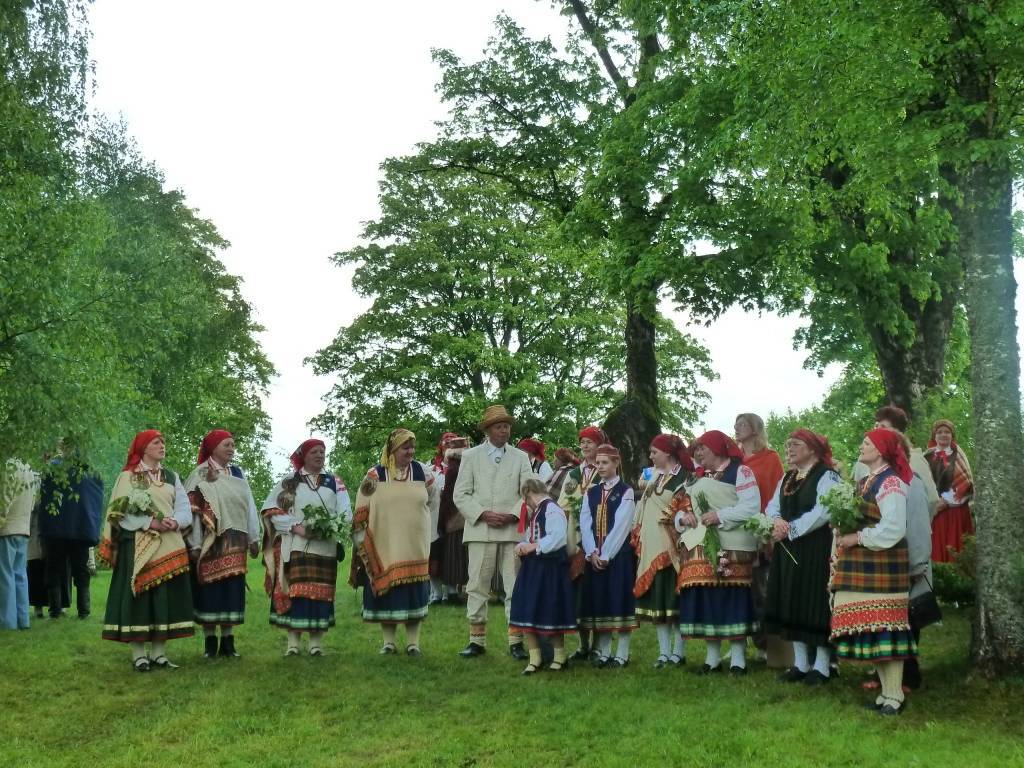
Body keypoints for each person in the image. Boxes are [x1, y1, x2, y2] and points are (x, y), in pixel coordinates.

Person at [830, 428, 917, 716]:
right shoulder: (865, 481)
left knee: (885, 628)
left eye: (866, 443)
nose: (861, 445)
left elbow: (893, 528)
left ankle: (894, 696)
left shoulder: (890, 482)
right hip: (863, 565)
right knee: (871, 627)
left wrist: (857, 537)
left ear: (880, 450)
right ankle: (886, 693)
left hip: (884, 564)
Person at [100, 431, 194, 670]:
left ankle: (159, 653)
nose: (162, 446)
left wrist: (176, 521)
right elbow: (118, 513)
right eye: (156, 442)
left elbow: (184, 507)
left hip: (169, 543)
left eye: (163, 442)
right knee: (139, 598)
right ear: (143, 448)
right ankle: (139, 654)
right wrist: (148, 523)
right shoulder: (128, 476)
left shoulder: (172, 476)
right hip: (139, 544)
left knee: (165, 597)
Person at [673, 430, 761, 676]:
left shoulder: (740, 472)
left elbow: (751, 506)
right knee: (707, 596)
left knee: (731, 597)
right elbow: (678, 509)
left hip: (733, 543)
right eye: (695, 449)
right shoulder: (693, 479)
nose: (698, 453)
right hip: (700, 546)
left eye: (703, 448)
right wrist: (684, 517)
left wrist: (719, 515)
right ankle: (712, 658)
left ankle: (738, 659)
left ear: (718, 447)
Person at [452, 405, 536, 659]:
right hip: (480, 530)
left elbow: (529, 490)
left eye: (507, 426)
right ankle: (476, 641)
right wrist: (483, 514)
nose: (504, 430)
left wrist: (513, 513)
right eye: (499, 426)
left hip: (512, 531)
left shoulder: (521, 457)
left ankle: (516, 641)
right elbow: (461, 494)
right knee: (477, 583)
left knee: (515, 585)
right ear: (488, 430)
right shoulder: (471, 457)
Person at [351, 429, 438, 656]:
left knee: (414, 593)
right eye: (405, 447)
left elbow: (433, 500)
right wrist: (362, 538)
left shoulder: (422, 472)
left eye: (412, 447)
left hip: (415, 544)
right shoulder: (375, 475)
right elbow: (361, 508)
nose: (410, 451)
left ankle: (413, 643)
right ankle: (388, 642)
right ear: (392, 449)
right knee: (388, 593)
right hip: (384, 544)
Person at [764, 429, 841, 685]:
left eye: (795, 444)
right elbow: (773, 506)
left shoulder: (827, 476)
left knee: (815, 602)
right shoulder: (788, 477)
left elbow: (825, 510)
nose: (789, 449)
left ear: (812, 448)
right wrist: (776, 522)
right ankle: (800, 663)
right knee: (792, 599)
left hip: (816, 547)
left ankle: (822, 666)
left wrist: (791, 528)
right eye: (788, 445)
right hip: (789, 548)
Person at [261, 439, 351, 656]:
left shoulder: (334, 482)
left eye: (323, 451)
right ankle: (293, 644)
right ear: (304, 455)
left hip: (325, 547)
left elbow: (345, 511)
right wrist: (296, 527)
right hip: (296, 546)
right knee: (297, 594)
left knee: (321, 595)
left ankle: (316, 644)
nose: (320, 455)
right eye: (314, 452)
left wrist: (332, 527)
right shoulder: (289, 481)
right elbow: (270, 509)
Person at [184, 429, 261, 658]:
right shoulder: (199, 474)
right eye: (227, 444)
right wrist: (195, 544)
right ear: (213, 447)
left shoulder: (237, 474)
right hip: (210, 541)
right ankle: (209, 642)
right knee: (209, 590)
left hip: (235, 539)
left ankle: (228, 641)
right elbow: (193, 511)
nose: (231, 448)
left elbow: (249, 504)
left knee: (231, 590)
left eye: (233, 445)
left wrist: (254, 537)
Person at [632, 434, 693, 668]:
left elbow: (689, 507)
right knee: (658, 601)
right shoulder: (653, 475)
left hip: (673, 545)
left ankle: (678, 652)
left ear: (668, 453)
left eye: (654, 452)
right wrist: (651, 474)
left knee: (673, 601)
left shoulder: (686, 477)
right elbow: (640, 483)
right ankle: (663, 652)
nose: (650, 456)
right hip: (650, 543)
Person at [578, 443, 637, 667]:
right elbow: (585, 523)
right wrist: (592, 551)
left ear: (615, 463)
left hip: (617, 555)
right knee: (600, 601)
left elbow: (622, 525)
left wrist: (606, 554)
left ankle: (622, 653)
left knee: (619, 601)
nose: (600, 467)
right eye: (598, 463)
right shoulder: (591, 492)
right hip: (595, 556)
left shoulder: (626, 491)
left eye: (605, 463)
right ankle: (603, 651)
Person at [509, 478, 576, 674]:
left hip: (549, 567)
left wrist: (533, 546)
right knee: (528, 609)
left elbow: (557, 537)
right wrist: (523, 546)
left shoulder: (552, 509)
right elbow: (532, 536)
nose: (526, 502)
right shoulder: (539, 510)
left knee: (550, 609)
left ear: (529, 492)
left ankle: (559, 656)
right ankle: (535, 658)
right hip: (534, 567)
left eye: (525, 497)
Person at [734, 413, 784, 661]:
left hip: (762, 529)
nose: (738, 427)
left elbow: (777, 492)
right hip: (739, 530)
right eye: (736, 424)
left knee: (763, 589)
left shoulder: (770, 458)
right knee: (744, 589)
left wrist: (769, 532)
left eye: (743, 424)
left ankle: (769, 646)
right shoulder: (735, 461)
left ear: (755, 429)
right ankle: (743, 643)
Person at [557, 426, 606, 660]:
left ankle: (597, 645)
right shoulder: (574, 474)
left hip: (600, 535)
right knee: (578, 592)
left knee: (596, 592)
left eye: (590, 442)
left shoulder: (607, 469)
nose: (585, 446)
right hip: (575, 537)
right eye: (582, 442)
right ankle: (582, 644)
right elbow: (563, 503)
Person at [37, 454, 103, 620]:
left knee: (53, 569)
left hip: (55, 529)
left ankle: (55, 611)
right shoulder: (91, 472)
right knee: (81, 571)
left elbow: (43, 494)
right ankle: (84, 612)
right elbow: (95, 499)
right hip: (81, 530)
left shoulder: (53, 468)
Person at [924, 419, 974, 563]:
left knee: (955, 548)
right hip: (935, 513)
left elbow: (966, 484)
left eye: (947, 432)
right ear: (934, 436)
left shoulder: (957, 454)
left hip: (956, 511)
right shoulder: (927, 457)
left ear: (952, 435)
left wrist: (945, 501)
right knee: (937, 550)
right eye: (939, 432)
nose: (943, 435)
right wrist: (934, 504)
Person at [0, 460, 40, 630]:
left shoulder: (9, 468)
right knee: (20, 575)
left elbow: (4, 501)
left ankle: (7, 622)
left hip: (8, 528)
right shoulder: (30, 470)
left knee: (6, 575)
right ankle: (23, 619)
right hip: (23, 529)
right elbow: (32, 504)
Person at [428, 431, 460, 603]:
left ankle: (451, 592)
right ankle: (436, 593)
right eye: (445, 442)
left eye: (452, 442)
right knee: (434, 554)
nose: (448, 444)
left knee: (452, 553)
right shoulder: (431, 469)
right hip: (434, 516)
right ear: (440, 446)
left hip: (454, 516)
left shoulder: (462, 467)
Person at [436, 439, 471, 600]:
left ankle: (453, 591)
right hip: (458, 515)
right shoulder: (457, 469)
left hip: (458, 514)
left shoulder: (455, 468)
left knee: (456, 553)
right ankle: (452, 592)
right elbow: (452, 495)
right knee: (455, 554)